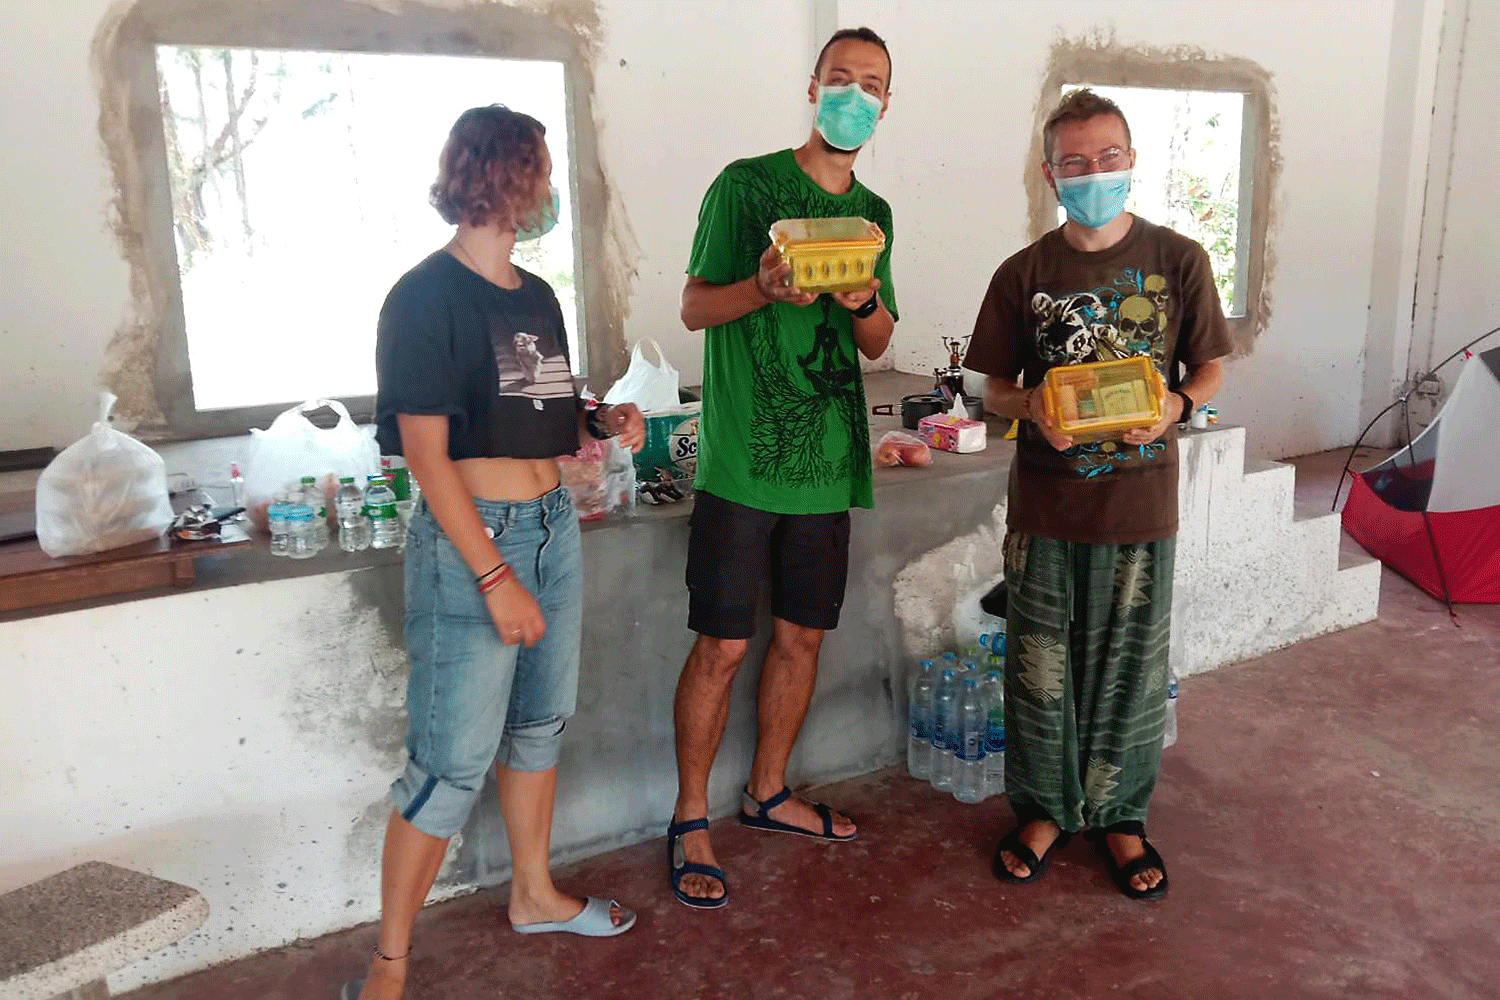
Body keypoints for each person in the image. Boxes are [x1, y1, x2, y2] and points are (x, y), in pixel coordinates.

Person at [348, 105, 645, 1000]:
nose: (551, 191)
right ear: (509, 177)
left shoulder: (535, 296)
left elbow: (543, 412)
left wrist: (602, 420)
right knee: (448, 764)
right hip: (475, 539)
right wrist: (492, 574)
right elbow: (428, 461)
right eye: (544, 172)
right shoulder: (423, 298)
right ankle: (388, 967)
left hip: (552, 525)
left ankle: (534, 895)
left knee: (538, 727)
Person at [964, 88, 1232, 901]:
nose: (1093, 174)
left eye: (1107, 158)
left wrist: (1180, 408)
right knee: (1040, 667)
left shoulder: (1180, 261)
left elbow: (1211, 368)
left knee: (1131, 670)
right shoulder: (1025, 273)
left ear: (1131, 162)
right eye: (1075, 163)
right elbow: (992, 388)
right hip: (1047, 504)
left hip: (1142, 504)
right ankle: (1045, 810)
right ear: (1051, 173)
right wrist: (1029, 407)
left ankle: (1120, 816)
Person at [666, 27, 899, 910]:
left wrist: (862, 297)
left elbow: (879, 338)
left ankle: (767, 792)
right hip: (741, 462)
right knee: (722, 645)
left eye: (870, 84)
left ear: (886, 103)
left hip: (828, 465)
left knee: (802, 637)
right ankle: (691, 816)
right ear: (813, 85)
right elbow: (692, 308)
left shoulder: (873, 216)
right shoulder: (745, 185)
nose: (853, 93)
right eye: (840, 77)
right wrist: (761, 288)